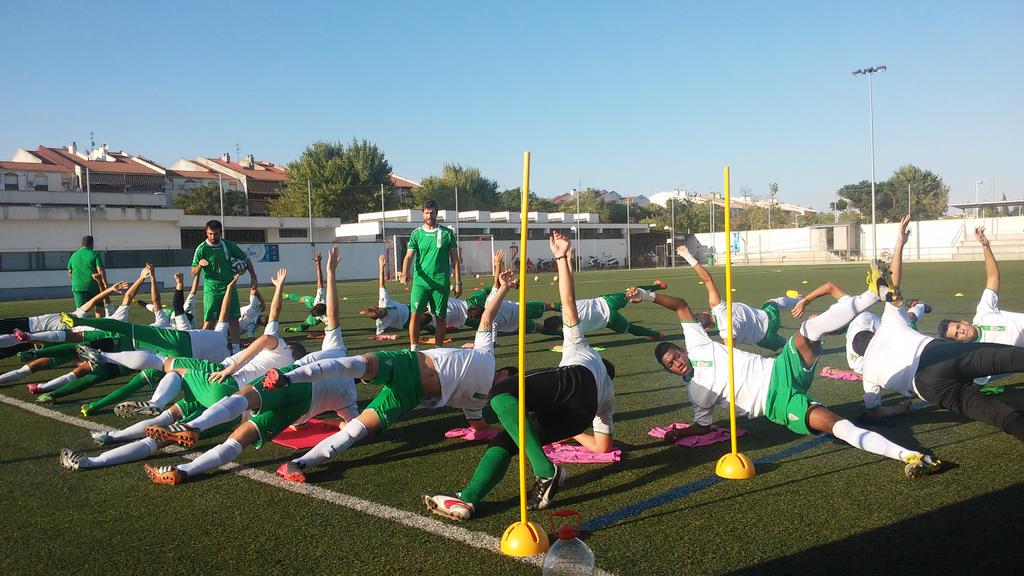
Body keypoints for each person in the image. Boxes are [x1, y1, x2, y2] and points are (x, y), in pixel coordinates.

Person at [638, 257, 942, 479]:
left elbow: (680, 305)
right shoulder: (696, 393)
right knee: (838, 426)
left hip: (780, 368)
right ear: (670, 371)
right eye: (671, 365)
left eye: (675, 356)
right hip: (778, 403)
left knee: (809, 330)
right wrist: (679, 433)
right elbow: (703, 426)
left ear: (681, 350)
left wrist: (648, 296)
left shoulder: (696, 344)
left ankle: (874, 293)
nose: (677, 362)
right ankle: (911, 455)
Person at [422, 231, 617, 522]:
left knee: (500, 394)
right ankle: (468, 498)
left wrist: (562, 258)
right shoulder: (608, 396)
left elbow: (568, 300)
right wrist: (574, 433)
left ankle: (545, 471)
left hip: (576, 381)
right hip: (579, 416)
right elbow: (603, 447)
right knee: (506, 439)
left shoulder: (581, 349)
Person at [267, 269, 519, 485]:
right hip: (405, 365)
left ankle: (298, 463)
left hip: (408, 396)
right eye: (511, 383)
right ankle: (288, 378)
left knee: (357, 429)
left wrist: (515, 431)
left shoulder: (479, 402)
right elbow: (487, 315)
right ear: (505, 372)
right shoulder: (486, 355)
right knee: (356, 364)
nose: (508, 389)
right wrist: (504, 288)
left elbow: (481, 428)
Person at [75, 268, 293, 417]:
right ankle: (102, 405)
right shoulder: (231, 348)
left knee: (145, 349)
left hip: (190, 349)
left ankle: (100, 352)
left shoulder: (219, 333)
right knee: (149, 381)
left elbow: (230, 310)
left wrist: (233, 288)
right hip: (214, 378)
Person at [791, 280, 929, 378]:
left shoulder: (856, 358)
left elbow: (866, 375)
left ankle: (919, 306)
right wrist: (805, 301)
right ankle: (918, 306)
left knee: (908, 324)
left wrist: (835, 372)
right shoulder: (849, 307)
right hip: (871, 322)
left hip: (878, 328)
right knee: (905, 320)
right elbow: (830, 286)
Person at [676, 245, 800, 350]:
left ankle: (793, 342)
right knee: (771, 303)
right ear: (705, 313)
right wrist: (687, 256)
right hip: (770, 318)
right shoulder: (718, 307)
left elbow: (730, 354)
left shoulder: (725, 332)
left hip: (764, 340)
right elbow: (707, 279)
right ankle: (798, 300)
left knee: (788, 346)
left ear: (707, 329)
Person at [937, 227, 1024, 349]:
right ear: (959, 341)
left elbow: (993, 278)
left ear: (963, 322)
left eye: (958, 327)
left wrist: (985, 246)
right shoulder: (980, 351)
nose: (961, 331)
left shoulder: (984, 312)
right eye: (957, 335)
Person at [399, 200, 461, 350]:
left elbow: (455, 260)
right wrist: (404, 273)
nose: (429, 216)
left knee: (440, 317)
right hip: (420, 282)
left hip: (441, 283)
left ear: (436, 214)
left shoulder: (447, 233)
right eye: (426, 213)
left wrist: (458, 283)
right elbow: (409, 256)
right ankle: (414, 350)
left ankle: (438, 350)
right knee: (415, 315)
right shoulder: (416, 234)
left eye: (432, 213)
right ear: (422, 214)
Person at [191, 219, 257, 352]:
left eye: (215, 234)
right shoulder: (201, 249)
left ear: (220, 232)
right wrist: (199, 266)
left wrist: (253, 276)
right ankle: (203, 348)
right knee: (210, 321)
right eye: (210, 234)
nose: (213, 236)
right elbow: (193, 272)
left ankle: (236, 349)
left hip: (229, 288)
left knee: (233, 319)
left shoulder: (228, 245)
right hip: (212, 290)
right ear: (206, 233)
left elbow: (246, 259)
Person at [539, 281, 668, 340]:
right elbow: (551, 305)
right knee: (632, 292)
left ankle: (656, 334)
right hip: (606, 301)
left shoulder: (571, 330)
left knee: (630, 328)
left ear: (559, 328)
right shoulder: (565, 307)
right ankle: (658, 286)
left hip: (608, 318)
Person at [284, 251, 326, 333]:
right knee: (304, 299)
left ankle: (296, 329)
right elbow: (320, 281)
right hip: (316, 303)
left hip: (318, 316)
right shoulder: (319, 299)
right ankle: (287, 296)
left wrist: (316, 336)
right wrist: (318, 265)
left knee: (306, 323)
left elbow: (330, 332)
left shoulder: (328, 319)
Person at [67, 235, 108, 317]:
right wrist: (105, 283)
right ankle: (99, 324)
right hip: (93, 285)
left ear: (82, 244)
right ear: (92, 243)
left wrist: (73, 282)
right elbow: (100, 270)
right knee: (99, 306)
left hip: (77, 287)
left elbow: (70, 271)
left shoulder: (74, 255)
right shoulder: (94, 254)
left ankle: (81, 324)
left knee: (80, 311)